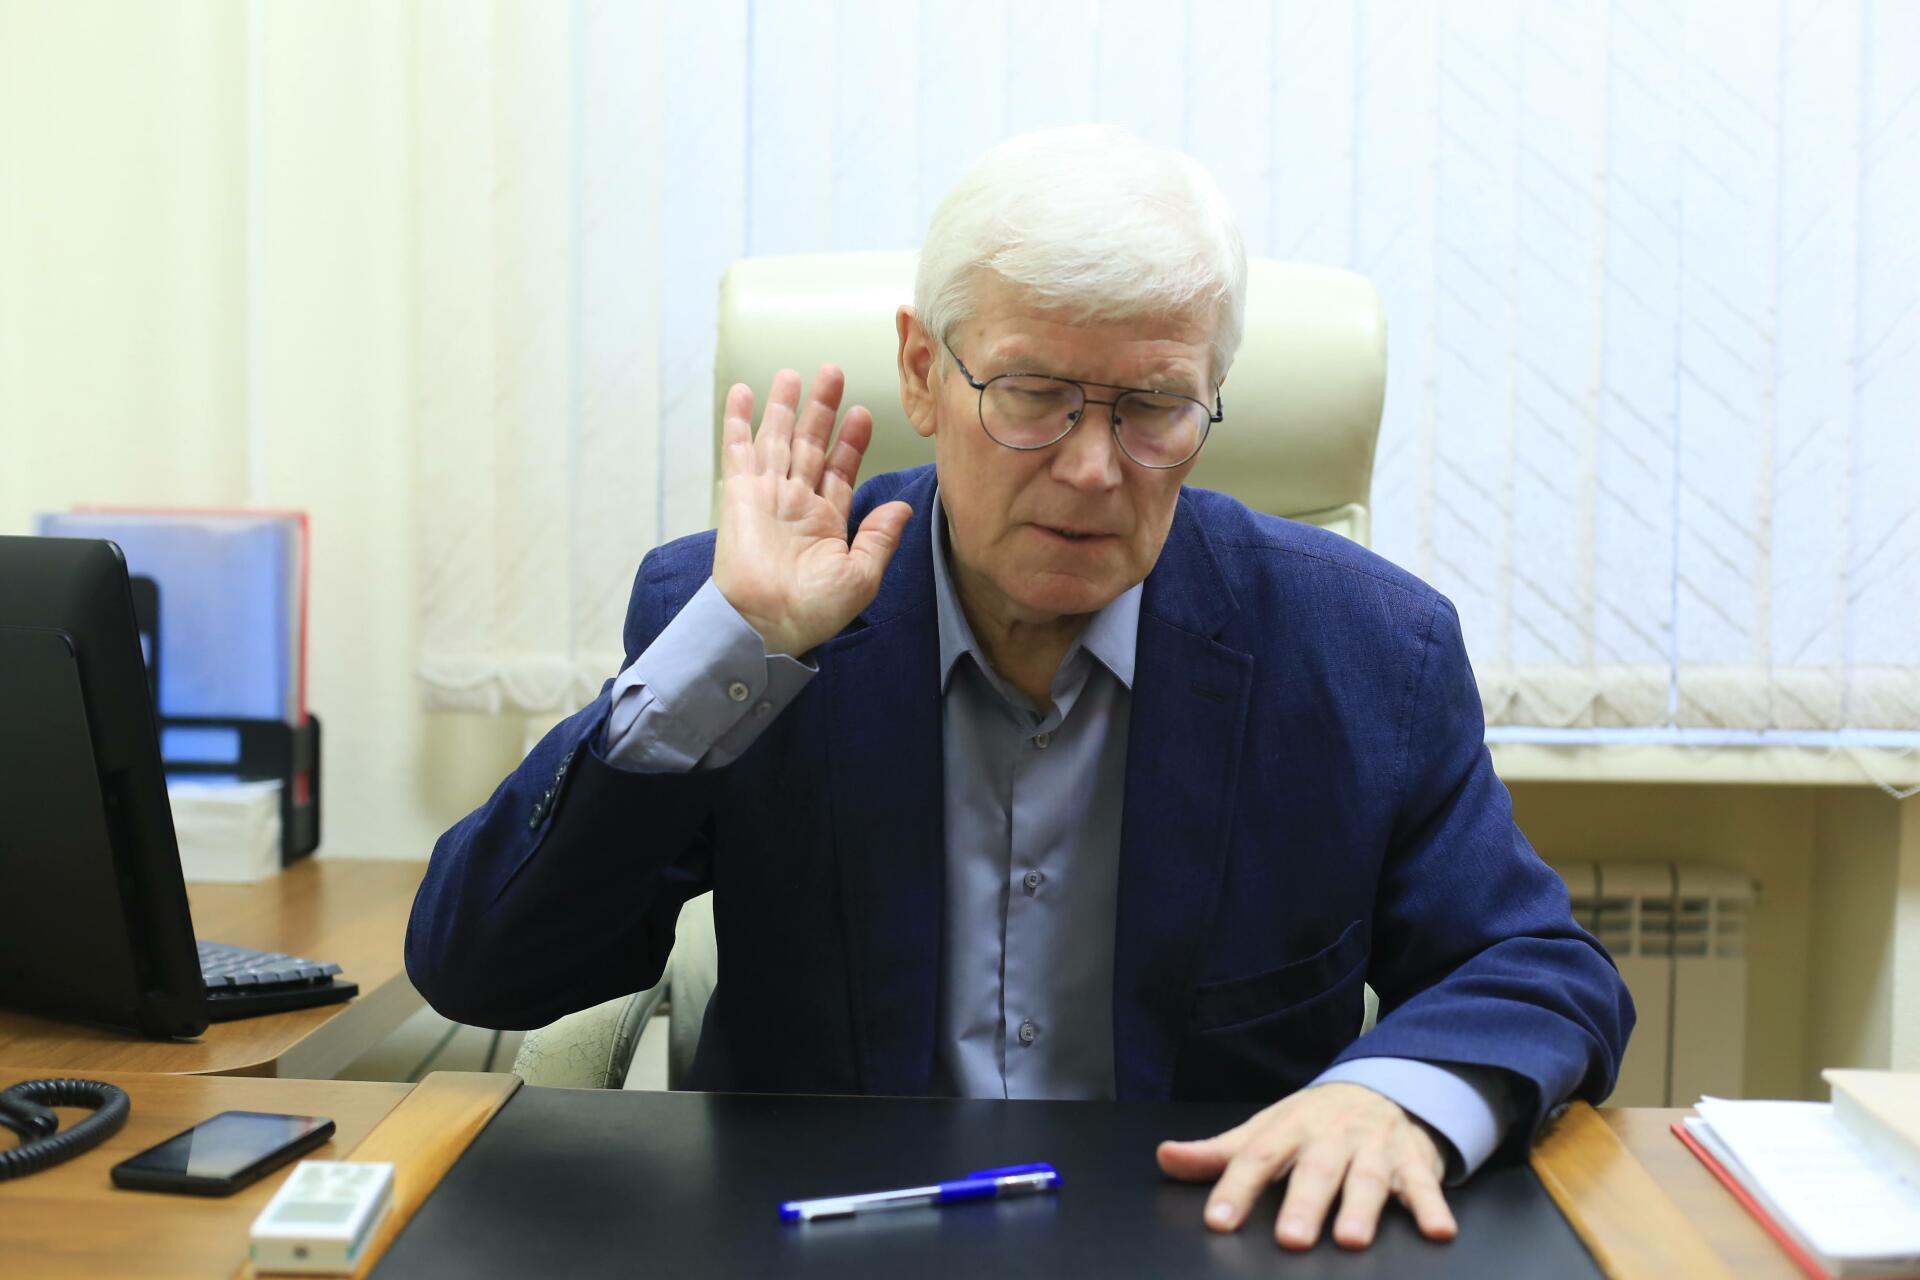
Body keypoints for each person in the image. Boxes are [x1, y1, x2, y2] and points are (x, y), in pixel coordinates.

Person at [407, 124, 1632, 1252]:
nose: (1094, 468)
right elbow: (483, 970)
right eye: (1034, 394)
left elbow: (1538, 967)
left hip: (1204, 1237)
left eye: (1154, 406)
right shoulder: (744, 620)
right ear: (923, 373)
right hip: (830, 1235)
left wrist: (1392, 1097)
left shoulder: (1365, 649)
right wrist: (733, 655)